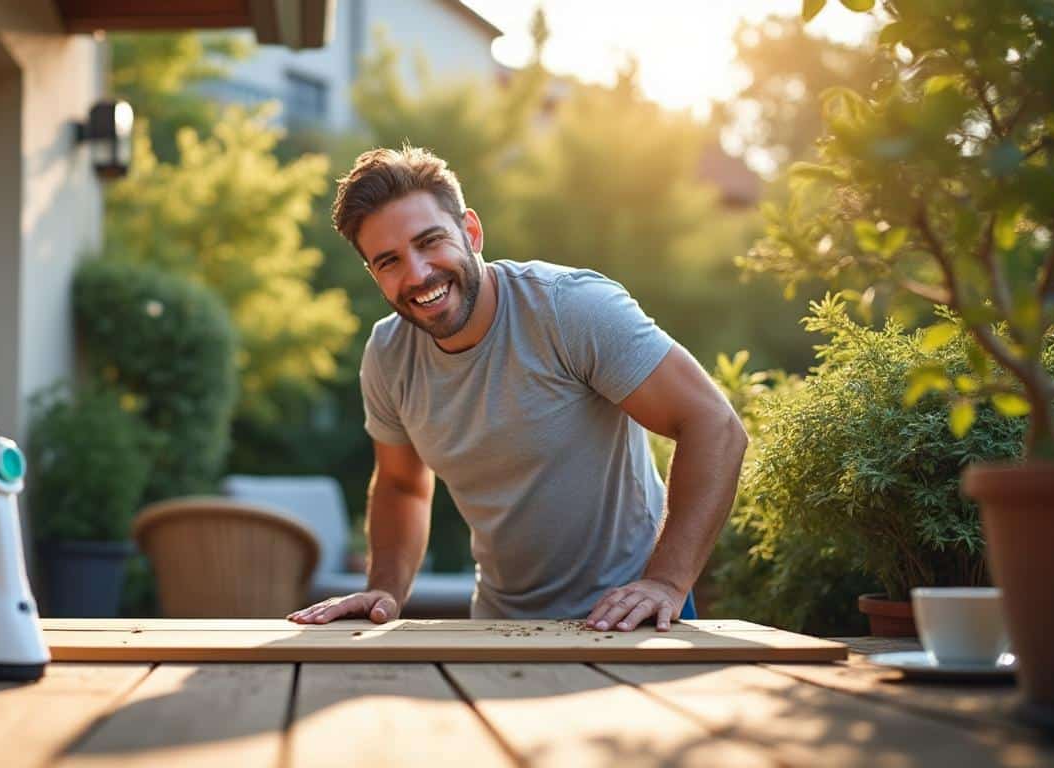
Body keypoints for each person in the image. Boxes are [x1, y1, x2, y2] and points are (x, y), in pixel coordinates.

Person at [286, 146, 748, 632]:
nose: (418, 274)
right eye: (389, 261)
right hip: (497, 627)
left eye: (430, 242)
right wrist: (384, 589)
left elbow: (714, 425)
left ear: (471, 231)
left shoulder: (569, 309)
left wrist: (667, 583)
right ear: (374, 275)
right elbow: (401, 484)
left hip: (631, 620)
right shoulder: (387, 353)